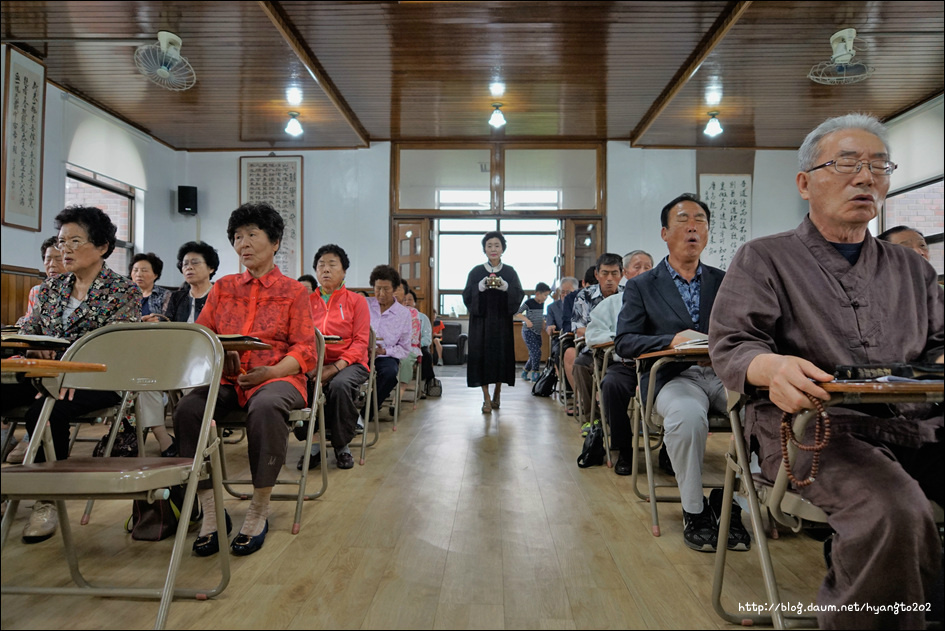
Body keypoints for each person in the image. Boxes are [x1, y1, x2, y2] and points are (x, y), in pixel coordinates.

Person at [708, 113, 943, 630]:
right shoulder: (764, 258)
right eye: (847, 164)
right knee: (892, 510)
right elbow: (733, 344)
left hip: (915, 423)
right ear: (805, 182)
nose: (865, 177)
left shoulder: (913, 269)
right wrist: (772, 368)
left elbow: (939, 345)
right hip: (812, 431)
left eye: (878, 166)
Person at [173, 202, 316, 557]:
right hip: (227, 380)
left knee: (266, 407)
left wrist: (272, 372)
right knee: (188, 410)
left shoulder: (294, 291)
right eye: (237, 237)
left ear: (275, 241)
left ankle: (259, 508)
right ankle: (210, 510)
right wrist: (220, 358)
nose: (244, 243)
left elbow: (305, 350)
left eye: (253, 234)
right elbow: (202, 338)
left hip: (276, 379)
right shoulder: (223, 288)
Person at [615, 193, 749, 553]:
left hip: (721, 374)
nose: (693, 226)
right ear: (664, 232)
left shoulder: (725, 280)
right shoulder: (643, 285)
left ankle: (733, 501)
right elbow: (625, 342)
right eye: (683, 219)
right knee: (687, 416)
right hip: (673, 376)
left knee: (762, 410)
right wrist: (672, 340)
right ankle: (694, 508)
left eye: (700, 220)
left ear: (706, 232)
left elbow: (744, 331)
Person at [1, 205, 141, 543]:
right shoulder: (50, 290)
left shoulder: (123, 292)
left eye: (75, 241)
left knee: (45, 411)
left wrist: (69, 372)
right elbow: (28, 329)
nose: (65, 250)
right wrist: (33, 349)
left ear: (103, 246)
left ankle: (46, 499)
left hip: (97, 378)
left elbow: (118, 345)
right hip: (44, 375)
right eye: (62, 242)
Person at [297, 244, 369, 471]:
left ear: (344, 271)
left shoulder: (357, 301)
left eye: (332, 264)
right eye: (321, 265)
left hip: (351, 363)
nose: (325, 269)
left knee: (339, 385)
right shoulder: (306, 302)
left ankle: (341, 445)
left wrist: (336, 366)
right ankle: (315, 443)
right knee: (302, 382)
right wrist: (310, 366)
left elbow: (360, 342)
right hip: (314, 363)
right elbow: (300, 338)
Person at [588, 249, 653, 475]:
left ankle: (667, 452)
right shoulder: (612, 304)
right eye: (637, 267)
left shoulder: (664, 301)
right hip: (625, 364)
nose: (642, 271)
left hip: (658, 364)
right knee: (610, 385)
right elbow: (593, 335)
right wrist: (623, 340)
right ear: (625, 273)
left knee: (678, 385)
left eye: (647, 267)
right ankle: (624, 449)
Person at [6, 236, 67, 464]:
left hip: (67, 368)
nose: (51, 264)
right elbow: (30, 323)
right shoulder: (40, 291)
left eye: (57, 258)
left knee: (44, 407)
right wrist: (36, 344)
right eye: (46, 259)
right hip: (39, 364)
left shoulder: (102, 293)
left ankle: (32, 441)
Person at [462, 231, 524, 413]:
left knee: (499, 359)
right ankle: (486, 398)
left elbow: (518, 295)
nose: (493, 249)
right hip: (480, 324)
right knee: (481, 359)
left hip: (501, 324)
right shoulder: (476, 272)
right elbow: (466, 296)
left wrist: (506, 287)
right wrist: (478, 288)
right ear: (484, 249)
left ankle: (497, 392)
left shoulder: (510, 272)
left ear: (503, 248)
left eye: (497, 245)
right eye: (489, 246)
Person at [570, 254, 623, 433]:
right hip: (595, 351)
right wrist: (610, 337)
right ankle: (591, 419)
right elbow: (580, 329)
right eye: (605, 273)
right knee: (579, 366)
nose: (609, 279)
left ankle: (625, 420)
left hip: (624, 351)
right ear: (597, 274)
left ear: (622, 274)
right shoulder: (584, 295)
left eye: (614, 273)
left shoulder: (628, 295)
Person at [365, 265, 412, 415]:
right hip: (361, 353)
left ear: (395, 289)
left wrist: (384, 350)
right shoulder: (364, 305)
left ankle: (366, 414)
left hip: (385, 356)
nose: (381, 293)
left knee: (390, 374)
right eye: (377, 288)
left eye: (386, 289)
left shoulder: (403, 314)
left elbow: (404, 349)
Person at [165, 241, 219, 324]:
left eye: (195, 263)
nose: (189, 267)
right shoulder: (177, 297)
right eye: (185, 264)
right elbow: (166, 325)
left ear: (211, 268)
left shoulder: (220, 296)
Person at [516, 282, 551, 382]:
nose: (545, 298)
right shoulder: (529, 302)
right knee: (537, 353)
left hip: (537, 332)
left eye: (547, 296)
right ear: (537, 294)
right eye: (545, 295)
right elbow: (517, 312)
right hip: (528, 332)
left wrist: (544, 325)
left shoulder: (542, 304)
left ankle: (525, 371)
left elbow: (540, 317)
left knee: (534, 354)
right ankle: (535, 373)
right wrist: (526, 321)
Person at [404, 289, 437, 392]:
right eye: (404, 299)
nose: (407, 302)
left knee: (426, 355)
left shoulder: (422, 317)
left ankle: (425, 384)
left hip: (418, 346)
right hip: (401, 347)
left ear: (414, 302)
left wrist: (416, 344)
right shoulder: (397, 317)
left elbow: (427, 338)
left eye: (410, 299)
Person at [394, 279, 422, 397]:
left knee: (405, 361)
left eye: (399, 289)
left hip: (408, 347)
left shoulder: (412, 312)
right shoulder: (385, 310)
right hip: (387, 348)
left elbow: (413, 337)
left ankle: (397, 398)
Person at [130, 252, 171, 322]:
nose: (139, 274)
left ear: (155, 275)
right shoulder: (124, 294)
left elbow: (168, 321)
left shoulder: (165, 295)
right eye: (135, 270)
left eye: (144, 271)